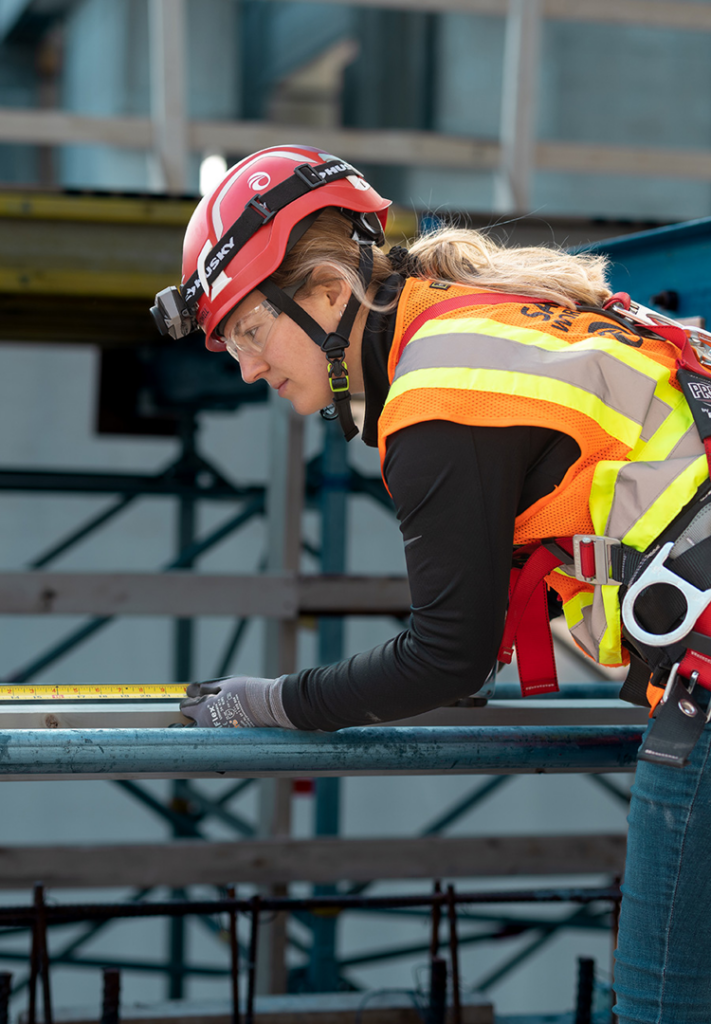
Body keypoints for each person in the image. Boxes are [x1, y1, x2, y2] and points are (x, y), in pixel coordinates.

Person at [152, 144, 711, 1022]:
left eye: (252, 332)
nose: (248, 369)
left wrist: (269, 703)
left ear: (331, 291)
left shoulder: (440, 397)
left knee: (659, 1003)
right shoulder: (486, 315)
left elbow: (447, 657)